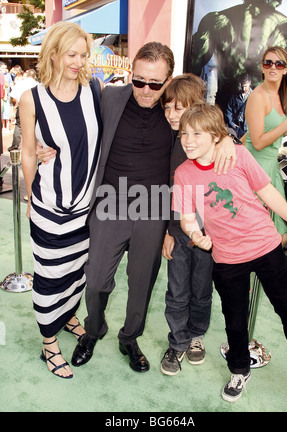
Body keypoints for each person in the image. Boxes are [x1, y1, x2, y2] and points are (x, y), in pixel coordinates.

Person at [70, 43, 237, 373]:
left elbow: (210, 125)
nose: (145, 90)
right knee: (97, 280)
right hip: (110, 202)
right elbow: (74, 123)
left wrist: (227, 137)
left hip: (154, 207)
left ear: (167, 80)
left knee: (142, 283)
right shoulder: (110, 97)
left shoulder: (177, 112)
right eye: (139, 80)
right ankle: (93, 330)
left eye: (154, 84)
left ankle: (129, 338)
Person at [173, 102, 287, 402]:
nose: (188, 140)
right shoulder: (183, 173)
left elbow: (267, 190)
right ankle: (240, 369)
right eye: (183, 134)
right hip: (227, 259)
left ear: (217, 135)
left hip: (266, 247)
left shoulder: (239, 155)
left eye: (196, 134)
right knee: (234, 319)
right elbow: (186, 216)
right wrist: (195, 234)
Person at [19, 21, 103, 379]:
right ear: (53, 53)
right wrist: (29, 195)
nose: (79, 61)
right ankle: (48, 343)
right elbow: (26, 152)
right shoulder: (31, 98)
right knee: (51, 276)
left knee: (77, 273)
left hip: (86, 209)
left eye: (83, 55)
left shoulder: (95, 89)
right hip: (50, 207)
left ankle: (68, 316)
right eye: (72, 54)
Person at [160, 74, 213, 376]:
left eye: (179, 108)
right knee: (177, 289)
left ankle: (196, 336)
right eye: (168, 108)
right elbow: (168, 190)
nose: (172, 115)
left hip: (207, 233)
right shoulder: (168, 140)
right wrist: (169, 230)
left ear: (196, 106)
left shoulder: (214, 141)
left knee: (202, 289)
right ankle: (177, 341)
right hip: (179, 232)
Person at [245, 46, 287, 245]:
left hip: (269, 168)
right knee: (259, 236)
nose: (273, 67)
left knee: (273, 236)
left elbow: (259, 132)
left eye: (279, 63)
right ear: (262, 67)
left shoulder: (277, 95)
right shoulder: (258, 96)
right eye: (268, 63)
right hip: (256, 168)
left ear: (286, 69)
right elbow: (258, 142)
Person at [8, 69, 38, 152]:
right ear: (34, 76)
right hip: (35, 108)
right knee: (33, 127)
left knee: (19, 126)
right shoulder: (37, 84)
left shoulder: (20, 83)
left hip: (21, 106)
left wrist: (16, 105)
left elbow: (13, 96)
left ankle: (17, 146)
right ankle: (31, 146)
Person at [225, 73, 252, 139]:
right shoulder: (234, 96)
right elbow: (228, 110)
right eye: (242, 86)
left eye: (245, 86)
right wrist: (232, 123)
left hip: (248, 129)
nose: (243, 88)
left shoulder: (255, 97)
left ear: (249, 83)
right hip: (236, 127)